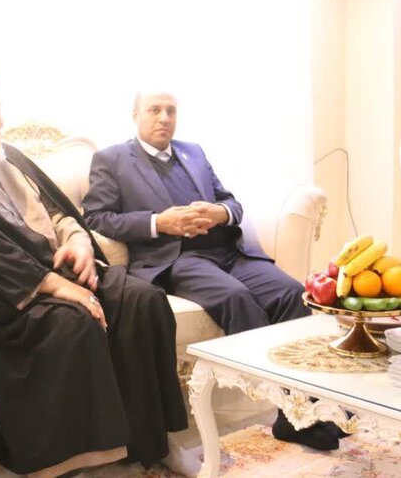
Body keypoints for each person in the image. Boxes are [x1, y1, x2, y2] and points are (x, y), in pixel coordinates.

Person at [0, 60, 187, 477]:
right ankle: (70, 465)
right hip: (8, 297)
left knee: (143, 301)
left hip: (60, 269)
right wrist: (55, 286)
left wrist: (78, 242)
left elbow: (57, 211)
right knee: (73, 323)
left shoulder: (6, 155)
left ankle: (154, 443)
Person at [82, 90, 344, 451]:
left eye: (171, 111)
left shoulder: (193, 152)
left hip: (228, 251)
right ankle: (291, 411)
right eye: (154, 110)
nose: (164, 118)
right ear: (135, 114)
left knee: (292, 294)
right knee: (237, 298)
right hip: (176, 259)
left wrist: (221, 213)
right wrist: (159, 222)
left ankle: (306, 410)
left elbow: (230, 202)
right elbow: (96, 217)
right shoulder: (111, 160)